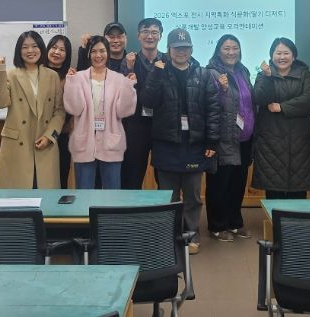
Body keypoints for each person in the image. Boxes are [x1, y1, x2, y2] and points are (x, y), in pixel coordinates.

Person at [142, 28, 220, 255]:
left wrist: (212, 142)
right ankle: (170, 236)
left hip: (194, 144)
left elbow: (213, 110)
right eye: (176, 48)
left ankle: (192, 235)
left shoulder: (204, 75)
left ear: (192, 49)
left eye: (185, 48)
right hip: (166, 144)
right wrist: (155, 74)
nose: (181, 52)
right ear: (169, 50)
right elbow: (148, 101)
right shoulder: (159, 71)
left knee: (193, 195)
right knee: (169, 196)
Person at [0, 31, 66, 188]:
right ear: (19, 51)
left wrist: (49, 136)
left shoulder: (52, 76)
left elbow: (59, 111)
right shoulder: (10, 74)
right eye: (25, 47)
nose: (30, 51)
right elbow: (0, 103)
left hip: (45, 143)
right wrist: (0, 70)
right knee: (16, 197)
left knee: (44, 194)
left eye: (34, 46)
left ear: (41, 49)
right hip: (17, 145)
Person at [63, 35, 137, 189]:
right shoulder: (78, 77)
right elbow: (74, 109)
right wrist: (71, 83)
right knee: (85, 193)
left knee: (111, 194)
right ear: (88, 54)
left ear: (108, 53)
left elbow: (123, 111)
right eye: (94, 51)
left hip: (111, 143)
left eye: (102, 51)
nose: (98, 55)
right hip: (84, 143)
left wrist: (128, 87)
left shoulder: (119, 79)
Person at [252, 38, 310, 199]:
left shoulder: (303, 73)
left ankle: (296, 217)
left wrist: (282, 107)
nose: (282, 57)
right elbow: (259, 98)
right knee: (273, 189)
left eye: (286, 53)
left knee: (298, 190)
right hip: (270, 141)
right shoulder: (263, 75)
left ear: (293, 56)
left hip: (298, 141)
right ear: (271, 55)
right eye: (278, 53)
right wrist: (268, 77)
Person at [205, 34, 255, 242]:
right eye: (226, 48)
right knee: (219, 184)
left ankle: (234, 221)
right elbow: (208, 104)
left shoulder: (243, 71)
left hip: (244, 138)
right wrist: (223, 90)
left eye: (235, 48)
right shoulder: (211, 73)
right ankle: (217, 225)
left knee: (238, 182)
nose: (231, 52)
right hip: (223, 138)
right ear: (218, 50)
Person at [119, 18, 168, 189]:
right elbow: (121, 93)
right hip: (136, 126)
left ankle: (164, 207)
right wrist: (129, 69)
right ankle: (130, 207)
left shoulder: (168, 60)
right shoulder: (129, 61)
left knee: (164, 177)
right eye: (145, 32)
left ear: (160, 36)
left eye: (154, 32)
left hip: (162, 124)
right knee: (132, 176)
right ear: (138, 36)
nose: (150, 36)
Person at [45, 34, 73, 189]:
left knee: (60, 179)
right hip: (37, 134)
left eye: (62, 50)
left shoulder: (71, 76)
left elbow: (73, 107)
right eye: (54, 47)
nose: (57, 52)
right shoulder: (36, 72)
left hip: (61, 135)